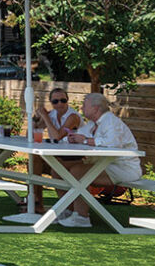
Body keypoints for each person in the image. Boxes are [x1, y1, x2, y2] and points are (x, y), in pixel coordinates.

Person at [57, 93, 142, 228]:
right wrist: (71, 138)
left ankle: (81, 217)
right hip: (103, 166)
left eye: (84, 105)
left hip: (124, 168)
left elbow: (112, 144)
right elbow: (77, 136)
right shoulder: (92, 124)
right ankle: (67, 210)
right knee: (58, 168)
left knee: (77, 171)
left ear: (95, 109)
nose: (81, 108)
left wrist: (84, 140)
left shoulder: (111, 122)